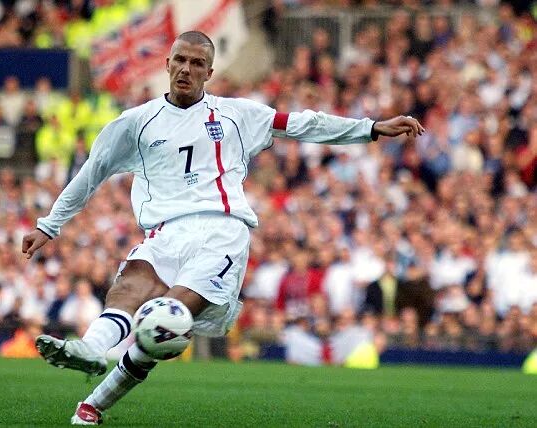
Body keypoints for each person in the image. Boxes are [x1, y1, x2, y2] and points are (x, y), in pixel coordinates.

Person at [21, 31, 424, 425]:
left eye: (197, 63)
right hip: (164, 232)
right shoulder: (135, 123)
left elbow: (303, 124)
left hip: (222, 233)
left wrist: (371, 128)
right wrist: (49, 225)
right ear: (167, 64)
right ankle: (92, 350)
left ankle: (93, 403)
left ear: (209, 73)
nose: (186, 69)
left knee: (164, 321)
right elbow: (90, 174)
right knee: (130, 285)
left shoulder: (237, 114)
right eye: (180, 60)